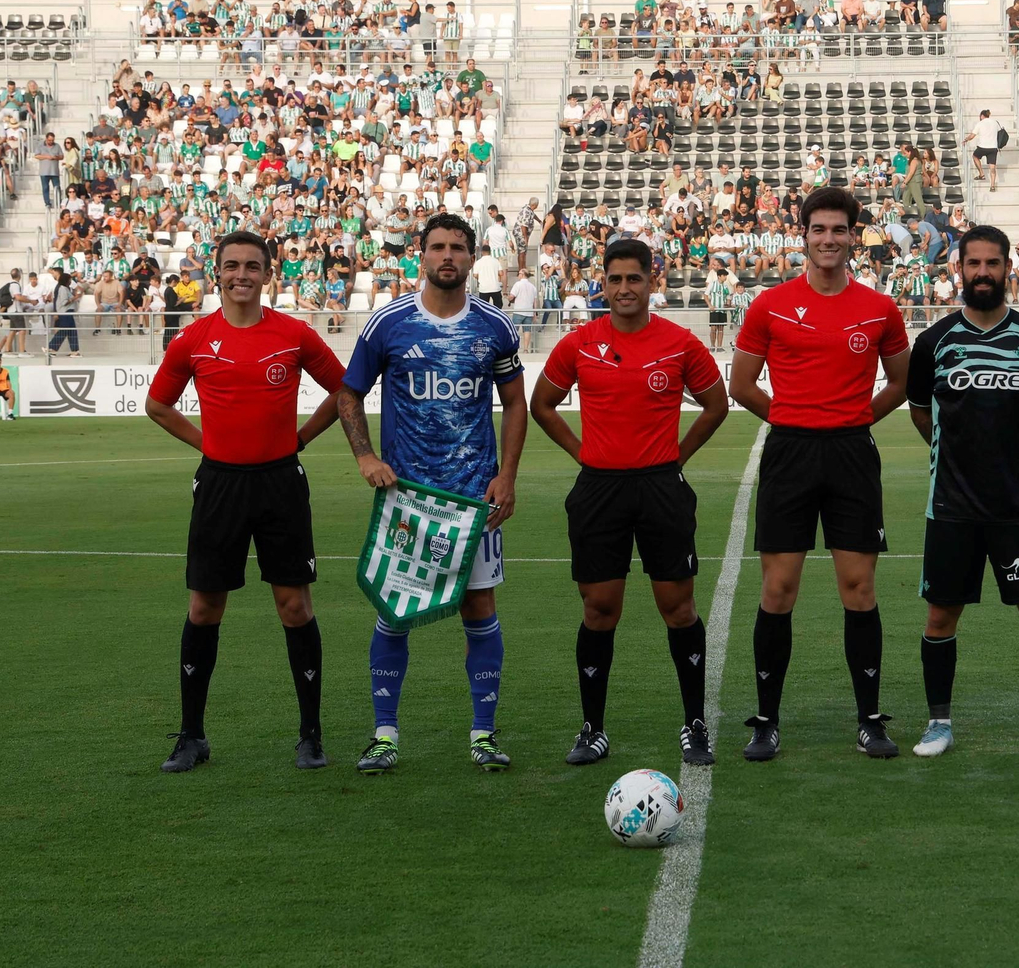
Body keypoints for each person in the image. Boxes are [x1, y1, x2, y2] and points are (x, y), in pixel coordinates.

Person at [146, 230, 346, 773]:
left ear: (267, 273)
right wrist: (206, 444)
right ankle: (191, 736)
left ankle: (310, 735)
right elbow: (158, 405)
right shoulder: (193, 339)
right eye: (231, 265)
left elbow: (345, 389)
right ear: (218, 272)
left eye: (252, 266)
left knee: (295, 606)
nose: (241, 275)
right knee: (204, 608)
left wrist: (301, 438)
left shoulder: (293, 334)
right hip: (220, 486)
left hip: (281, 482)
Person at [337, 213, 528, 774]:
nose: (448, 256)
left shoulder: (496, 327)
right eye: (438, 247)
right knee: (394, 610)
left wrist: (508, 475)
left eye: (458, 248)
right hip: (408, 501)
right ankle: (384, 734)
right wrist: (365, 457)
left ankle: (484, 735)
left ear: (473, 258)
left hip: (474, 503)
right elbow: (349, 395)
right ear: (421, 255)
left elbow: (515, 403)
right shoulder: (387, 324)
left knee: (480, 606)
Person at [530, 239, 730, 767]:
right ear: (603, 282)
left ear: (651, 281)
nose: (624, 289)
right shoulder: (579, 343)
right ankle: (592, 729)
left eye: (634, 279)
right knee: (600, 609)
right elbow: (542, 405)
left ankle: (694, 725)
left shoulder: (681, 343)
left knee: (678, 606)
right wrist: (585, 454)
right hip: (599, 490)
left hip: (661, 488)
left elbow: (716, 404)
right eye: (614, 279)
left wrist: (675, 457)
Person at [729, 187, 912, 761]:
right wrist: (792, 420)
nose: (829, 239)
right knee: (778, 589)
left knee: (858, 589)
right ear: (802, 235)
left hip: (852, 455)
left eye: (840, 230)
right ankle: (765, 720)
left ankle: (870, 720)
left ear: (853, 237)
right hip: (790, 455)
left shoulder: (879, 309)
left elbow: (901, 383)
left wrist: (855, 420)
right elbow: (741, 386)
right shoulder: (770, 305)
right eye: (819, 230)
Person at [905, 225, 1019, 759]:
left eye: (991, 264)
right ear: (959, 269)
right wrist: (953, 454)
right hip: (951, 505)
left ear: (1006, 269)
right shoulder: (932, 344)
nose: (981, 273)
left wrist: (1016, 453)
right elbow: (919, 412)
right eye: (972, 264)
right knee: (939, 618)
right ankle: (938, 723)